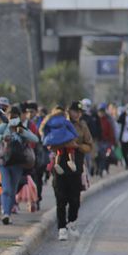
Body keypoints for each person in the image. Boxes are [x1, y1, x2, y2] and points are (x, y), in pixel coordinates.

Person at [45, 103, 94, 240]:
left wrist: (77, 146)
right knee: (60, 199)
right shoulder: (57, 123)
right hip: (59, 166)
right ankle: (61, 228)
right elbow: (49, 143)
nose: (77, 114)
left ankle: (72, 221)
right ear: (69, 111)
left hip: (75, 166)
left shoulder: (82, 126)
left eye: (79, 111)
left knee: (75, 199)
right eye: (74, 111)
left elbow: (89, 145)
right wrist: (63, 144)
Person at [0, 108, 39, 224]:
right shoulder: (4, 127)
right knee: (6, 189)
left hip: (18, 164)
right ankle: (6, 214)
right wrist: (3, 138)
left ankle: (8, 212)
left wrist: (22, 132)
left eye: (14, 117)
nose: (12, 119)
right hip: (5, 163)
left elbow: (35, 139)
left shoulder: (21, 129)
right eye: (10, 116)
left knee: (13, 190)